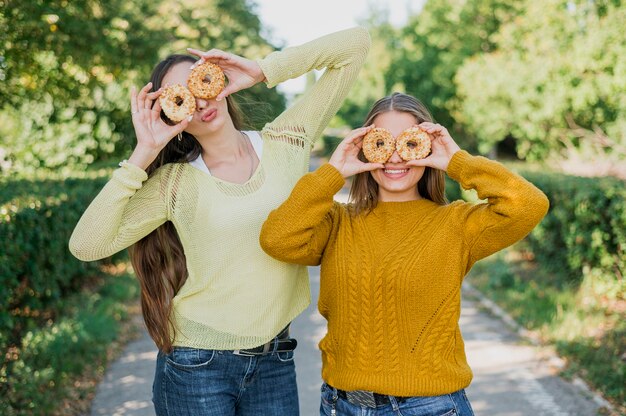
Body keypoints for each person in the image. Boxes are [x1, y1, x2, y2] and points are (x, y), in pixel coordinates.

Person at [69, 27, 370, 415]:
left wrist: (262, 70)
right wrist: (144, 152)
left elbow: (355, 45)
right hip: (197, 365)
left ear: (218, 78)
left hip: (276, 358)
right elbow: (86, 245)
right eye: (181, 98)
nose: (199, 101)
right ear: (169, 113)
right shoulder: (174, 183)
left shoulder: (288, 140)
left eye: (202, 82)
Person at [259, 92, 550, 416]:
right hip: (341, 405)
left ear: (427, 148)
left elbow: (529, 205)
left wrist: (457, 161)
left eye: (408, 144)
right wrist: (333, 173)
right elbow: (277, 240)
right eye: (383, 143)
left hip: (430, 408)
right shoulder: (338, 222)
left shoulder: (456, 224)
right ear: (365, 147)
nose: (396, 158)